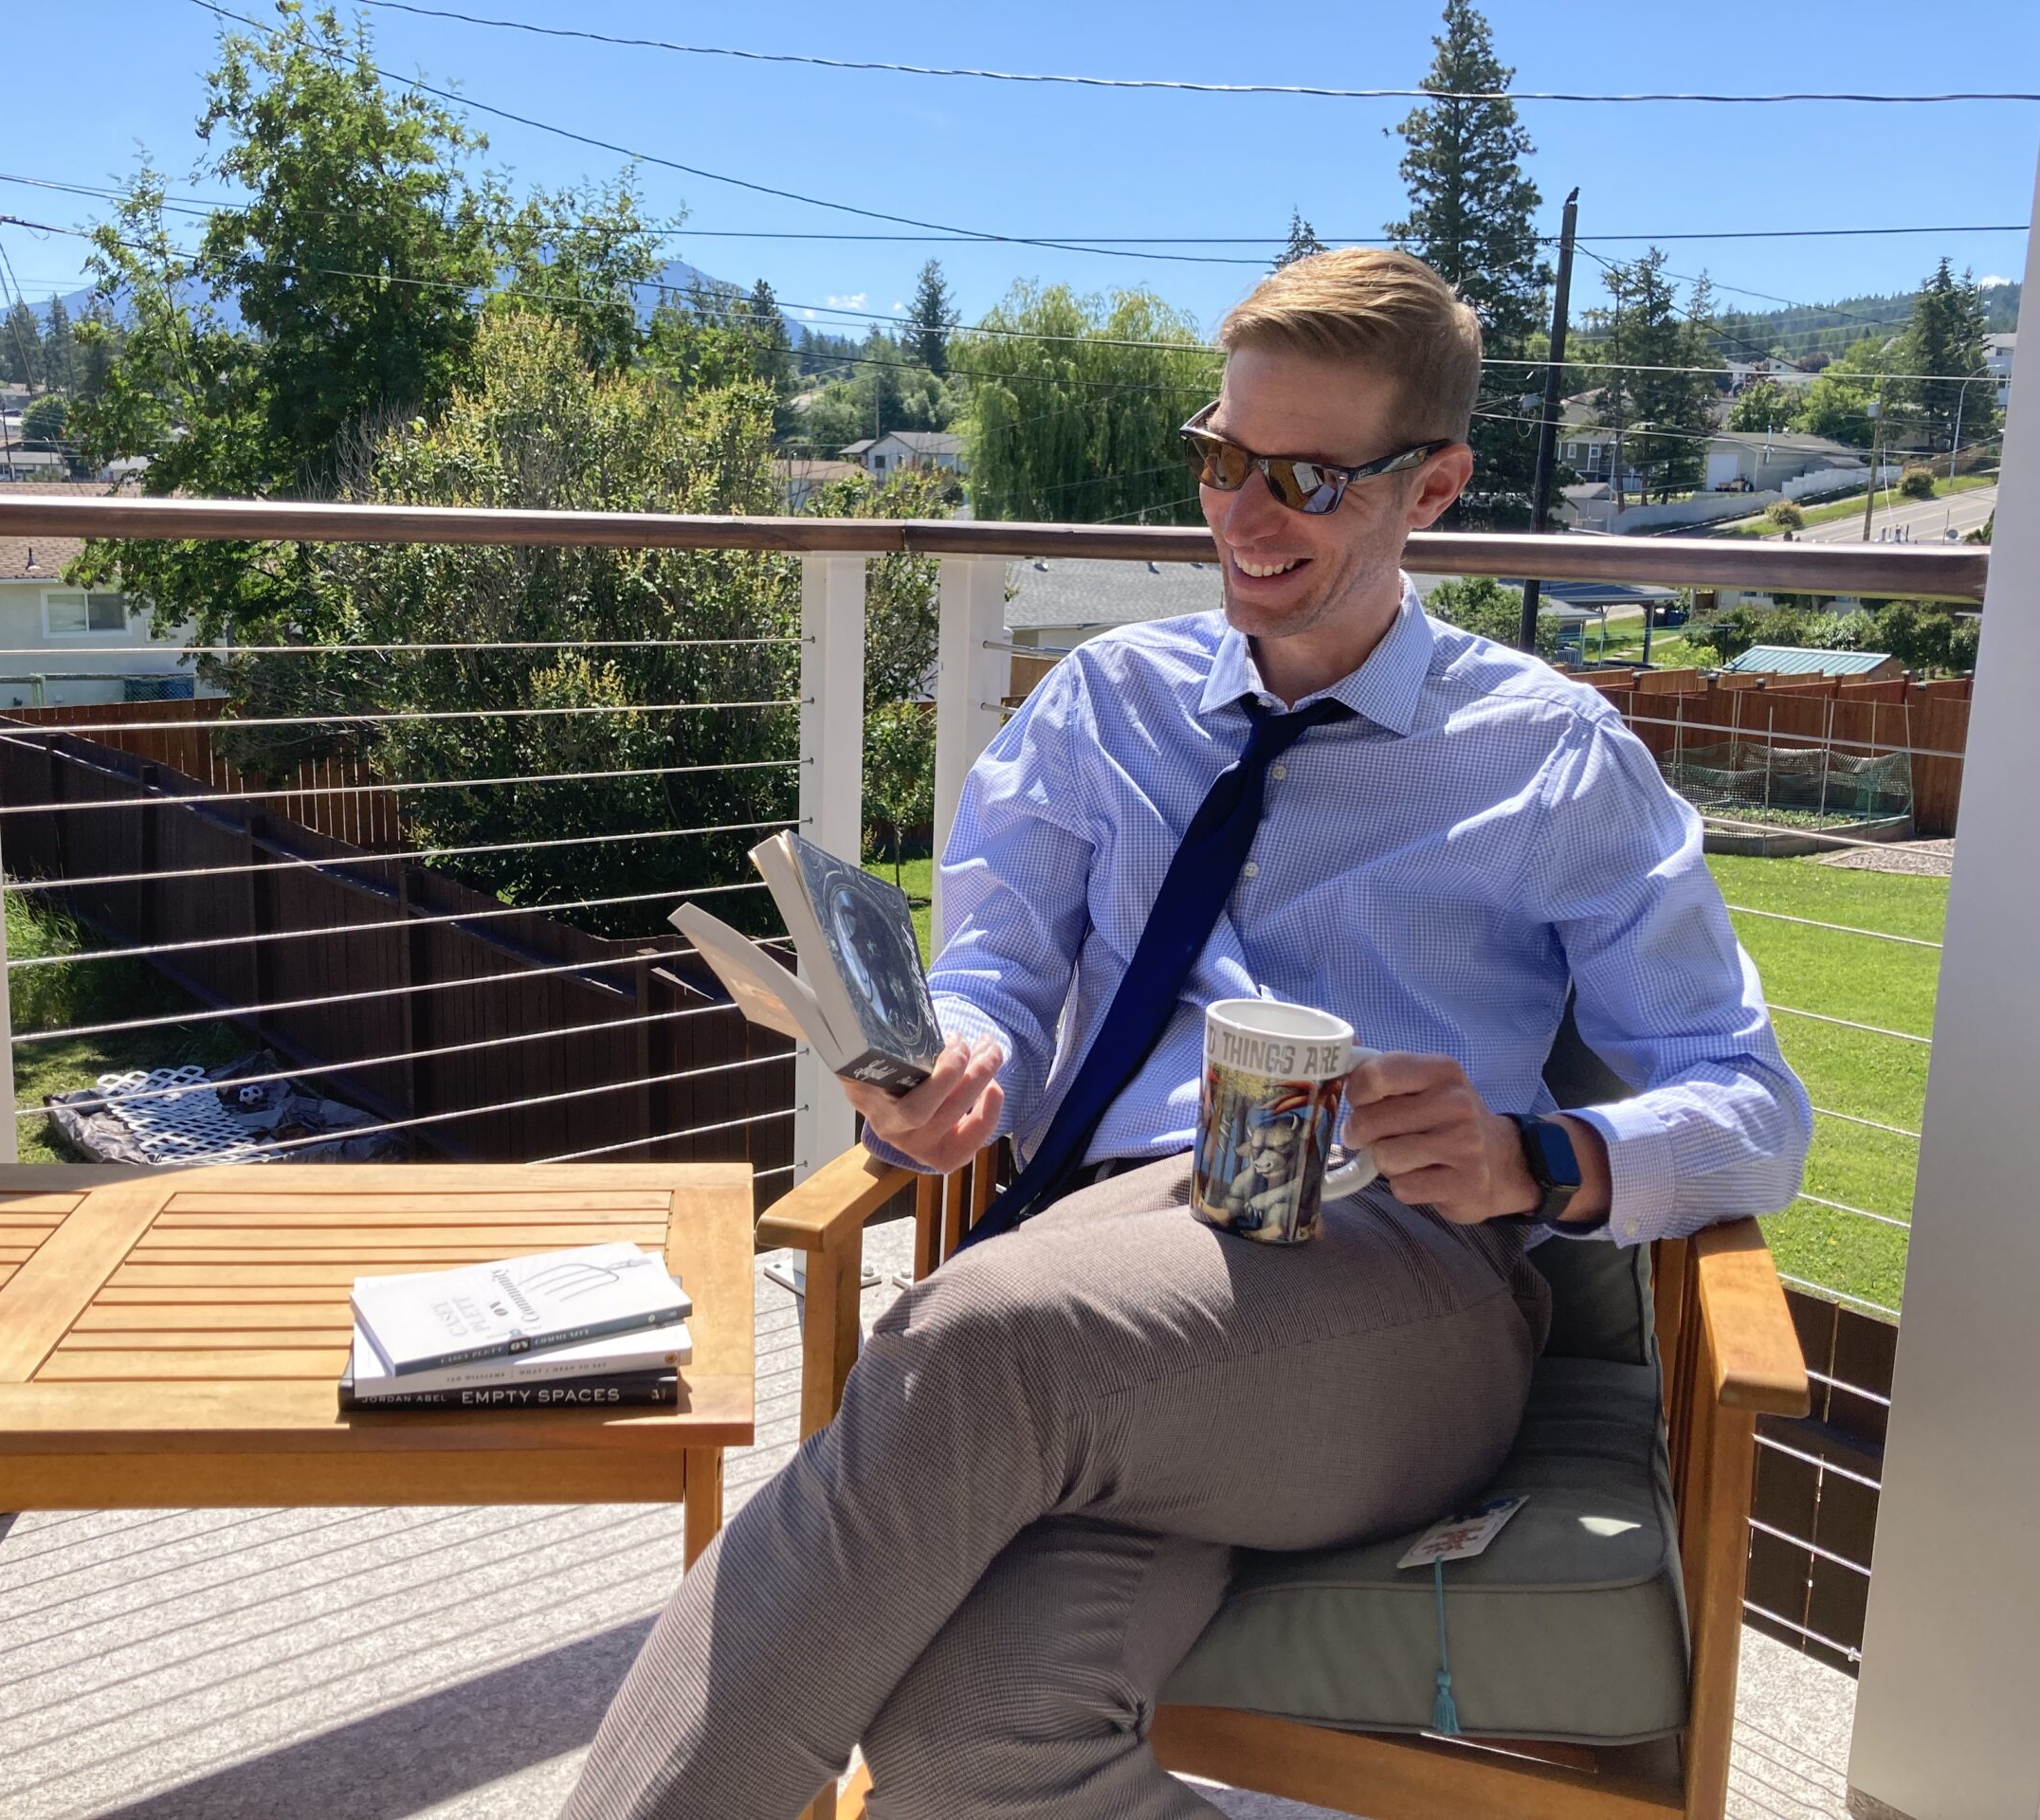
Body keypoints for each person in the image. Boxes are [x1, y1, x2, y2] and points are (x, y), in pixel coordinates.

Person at [563, 248, 1810, 1820]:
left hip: (1399, 1290)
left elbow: (1754, 1101)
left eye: (1304, 476)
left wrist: (1537, 1156)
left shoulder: (1548, 757)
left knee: (974, 1338)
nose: (1243, 513)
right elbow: (998, 975)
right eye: (1223, 456)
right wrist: (957, 1073)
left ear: (1432, 490)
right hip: (1120, 1280)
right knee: (979, 1727)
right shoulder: (1106, 703)